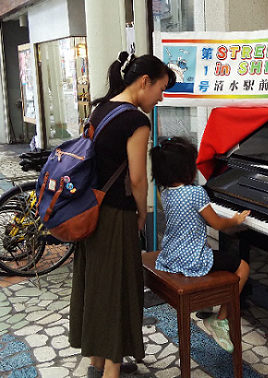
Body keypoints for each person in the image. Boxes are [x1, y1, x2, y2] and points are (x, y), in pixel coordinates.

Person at [68, 51, 176, 378]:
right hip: (116, 215)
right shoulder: (135, 120)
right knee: (116, 290)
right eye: (160, 89)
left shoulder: (101, 108)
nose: (159, 98)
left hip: (91, 211)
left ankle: (97, 364)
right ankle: (113, 371)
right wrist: (142, 215)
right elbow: (138, 178)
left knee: (98, 288)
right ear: (145, 81)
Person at [149, 136, 251, 353]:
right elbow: (218, 224)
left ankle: (218, 307)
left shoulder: (165, 192)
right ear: (186, 169)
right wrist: (236, 220)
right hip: (193, 259)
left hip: (171, 256)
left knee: (223, 255)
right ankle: (220, 319)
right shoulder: (195, 193)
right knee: (242, 266)